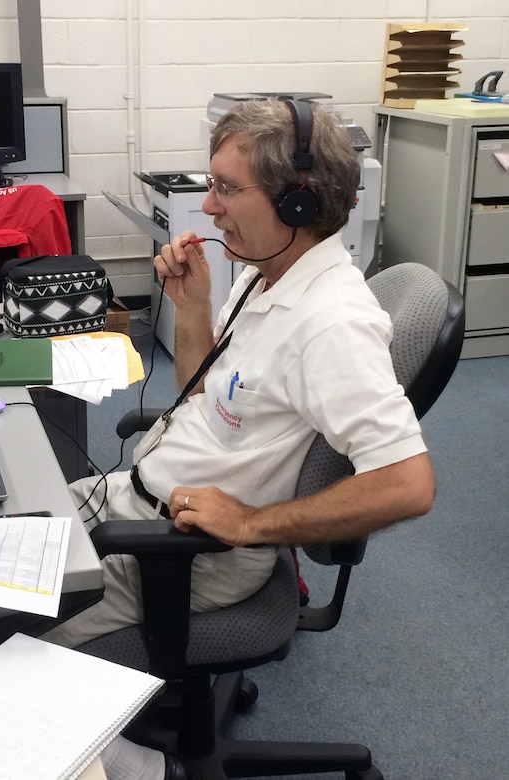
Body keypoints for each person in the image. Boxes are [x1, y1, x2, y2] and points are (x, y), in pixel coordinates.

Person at [45, 98, 435, 780]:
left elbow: (409, 484)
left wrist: (254, 523)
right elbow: (211, 399)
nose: (210, 207)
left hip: (186, 551)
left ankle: (141, 771)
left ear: (296, 203)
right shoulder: (267, 274)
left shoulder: (333, 324)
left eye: (227, 188)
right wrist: (193, 307)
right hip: (132, 501)